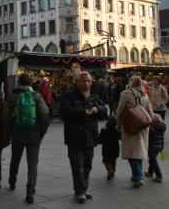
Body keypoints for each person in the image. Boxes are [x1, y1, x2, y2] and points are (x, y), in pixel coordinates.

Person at [61, 71, 107, 204]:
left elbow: (105, 111)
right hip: (74, 136)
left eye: (88, 81)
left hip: (90, 136)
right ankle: (80, 191)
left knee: (87, 165)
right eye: (83, 80)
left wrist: (97, 109)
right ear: (77, 82)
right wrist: (84, 112)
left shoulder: (94, 95)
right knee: (77, 165)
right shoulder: (69, 95)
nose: (86, 83)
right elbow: (65, 112)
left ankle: (83, 189)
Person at [8, 74, 50, 204]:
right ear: (31, 83)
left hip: (17, 133)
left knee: (15, 159)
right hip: (33, 134)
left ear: (19, 82)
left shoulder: (13, 96)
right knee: (32, 164)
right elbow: (44, 114)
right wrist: (41, 132)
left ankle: (12, 181)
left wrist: (9, 131)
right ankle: (30, 192)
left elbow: (6, 116)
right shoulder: (36, 96)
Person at [116, 76, 154, 188]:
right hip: (142, 126)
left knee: (132, 153)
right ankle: (136, 174)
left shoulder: (126, 94)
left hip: (130, 125)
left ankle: (138, 176)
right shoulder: (144, 94)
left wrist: (118, 124)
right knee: (139, 152)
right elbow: (150, 111)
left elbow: (119, 110)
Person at [99, 116, 120, 180]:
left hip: (106, 149)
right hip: (115, 149)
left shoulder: (104, 130)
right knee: (113, 160)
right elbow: (120, 138)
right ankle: (113, 171)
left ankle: (109, 170)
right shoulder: (117, 131)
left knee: (106, 160)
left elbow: (100, 140)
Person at [146, 113, 166, 183]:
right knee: (152, 159)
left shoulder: (152, 129)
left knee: (152, 160)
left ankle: (159, 175)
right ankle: (150, 172)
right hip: (159, 146)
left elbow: (148, 137)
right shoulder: (162, 127)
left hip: (152, 147)